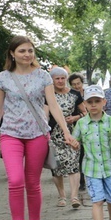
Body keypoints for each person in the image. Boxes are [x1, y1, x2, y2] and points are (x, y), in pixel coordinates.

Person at [0, 36, 76, 220]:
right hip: (11, 134)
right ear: (12, 54)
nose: (27, 54)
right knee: (15, 181)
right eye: (22, 51)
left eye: (30, 51)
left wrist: (65, 132)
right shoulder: (3, 78)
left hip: (37, 134)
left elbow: (53, 105)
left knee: (32, 183)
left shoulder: (43, 76)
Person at [70, 85, 111, 220]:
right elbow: (76, 144)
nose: (93, 105)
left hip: (109, 168)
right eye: (90, 102)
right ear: (84, 103)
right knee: (97, 201)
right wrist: (74, 144)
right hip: (91, 170)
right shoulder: (81, 123)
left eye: (97, 101)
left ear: (103, 102)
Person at [48, 67, 86, 208]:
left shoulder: (75, 94)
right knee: (56, 167)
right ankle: (62, 196)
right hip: (54, 135)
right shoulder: (48, 94)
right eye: (57, 78)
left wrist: (75, 117)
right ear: (52, 80)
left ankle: (74, 197)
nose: (60, 81)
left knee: (73, 165)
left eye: (62, 78)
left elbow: (85, 112)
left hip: (72, 134)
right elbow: (45, 115)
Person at [69, 73, 87, 190]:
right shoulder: (70, 95)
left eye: (78, 83)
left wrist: (77, 117)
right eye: (74, 84)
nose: (76, 86)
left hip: (88, 127)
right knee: (78, 154)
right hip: (74, 128)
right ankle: (81, 181)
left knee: (86, 153)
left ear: (82, 83)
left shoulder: (89, 94)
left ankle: (86, 177)